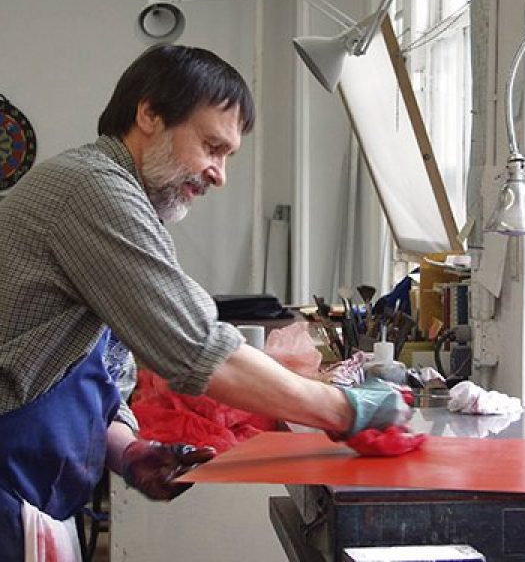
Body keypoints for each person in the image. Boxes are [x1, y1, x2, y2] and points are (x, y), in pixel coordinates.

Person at [0, 44, 411, 560]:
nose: (220, 174)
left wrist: (129, 451)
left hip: (29, 496)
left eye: (227, 156)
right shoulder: (90, 189)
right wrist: (346, 410)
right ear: (148, 114)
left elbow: (94, 373)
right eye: (212, 147)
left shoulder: (120, 203)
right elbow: (197, 349)